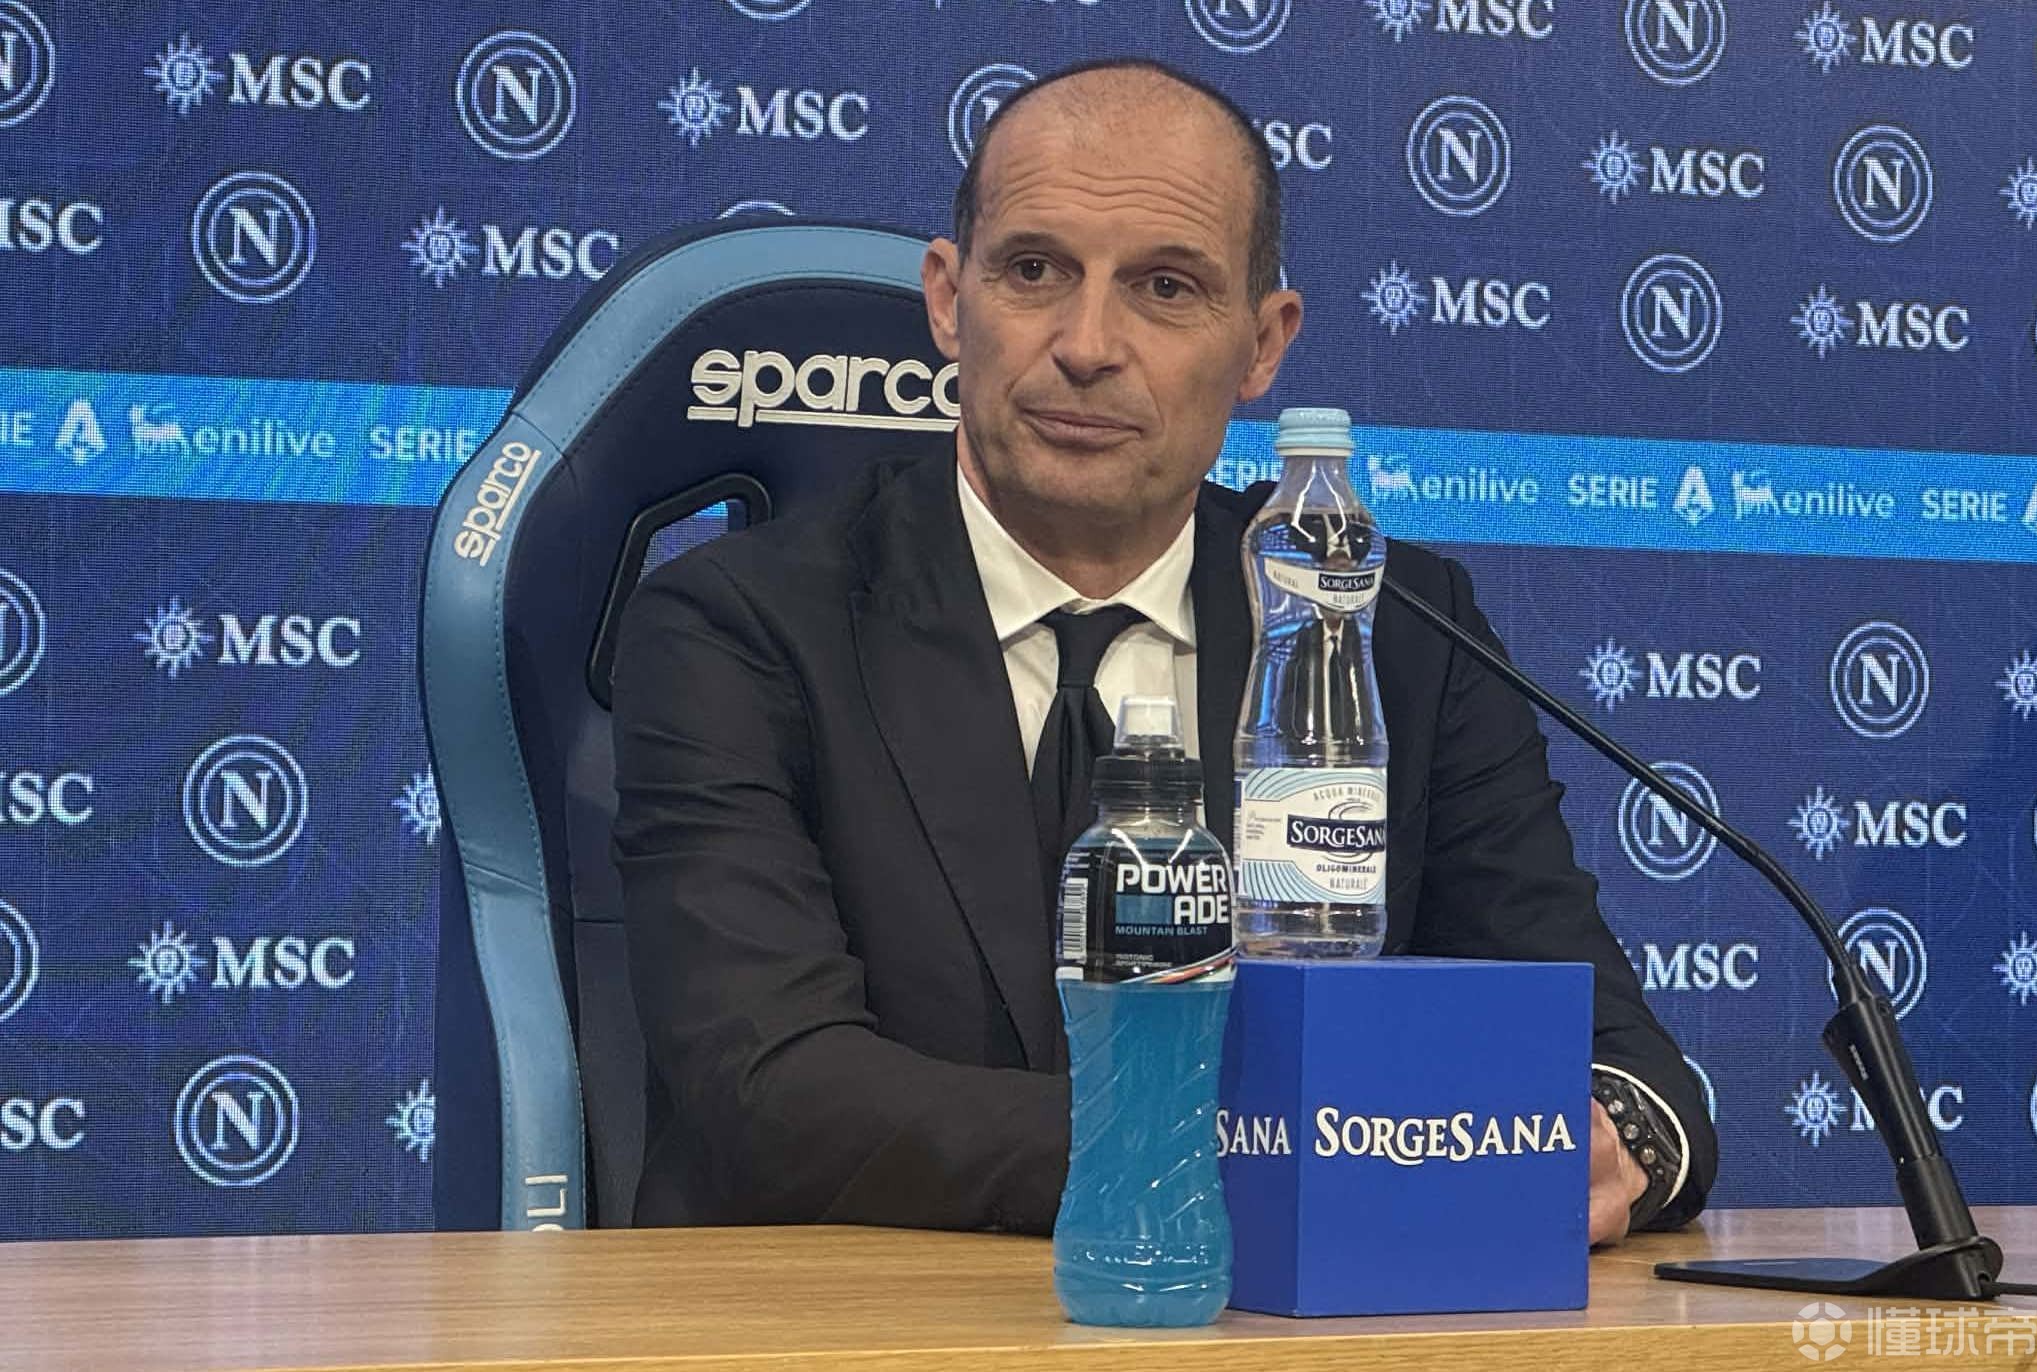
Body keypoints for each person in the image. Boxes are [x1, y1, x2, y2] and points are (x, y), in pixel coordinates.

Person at [611, 57, 1715, 1245]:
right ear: (947, 301)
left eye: (1165, 287)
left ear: (1261, 343)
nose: (1087, 344)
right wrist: (1287, 1152)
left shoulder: (1389, 628)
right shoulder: (736, 626)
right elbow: (775, 1095)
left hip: (1268, 1318)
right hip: (846, 1315)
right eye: (1033, 271)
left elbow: (1619, 1067)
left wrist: (1617, 1145)